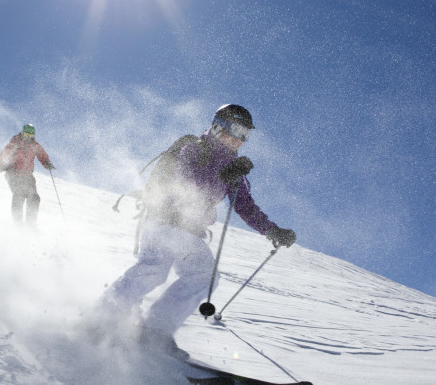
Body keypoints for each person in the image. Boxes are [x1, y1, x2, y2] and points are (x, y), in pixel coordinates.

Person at [97, 104, 296, 357]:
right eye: (236, 129)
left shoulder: (234, 171)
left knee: (204, 275)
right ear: (217, 126)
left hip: (188, 231)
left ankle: (154, 330)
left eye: (246, 135)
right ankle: (104, 317)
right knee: (155, 269)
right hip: (163, 220)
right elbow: (189, 184)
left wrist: (273, 230)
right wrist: (226, 174)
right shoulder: (194, 149)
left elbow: (246, 207)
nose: (239, 139)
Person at [0, 124, 55, 225]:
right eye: (26, 135)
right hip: (13, 173)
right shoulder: (15, 143)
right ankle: (18, 223)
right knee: (19, 194)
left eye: (30, 136)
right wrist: (1, 165)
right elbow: (4, 154)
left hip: (27, 175)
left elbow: (42, 155)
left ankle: (30, 223)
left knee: (34, 197)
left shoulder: (35, 145)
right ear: (22, 133)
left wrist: (47, 163)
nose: (28, 138)